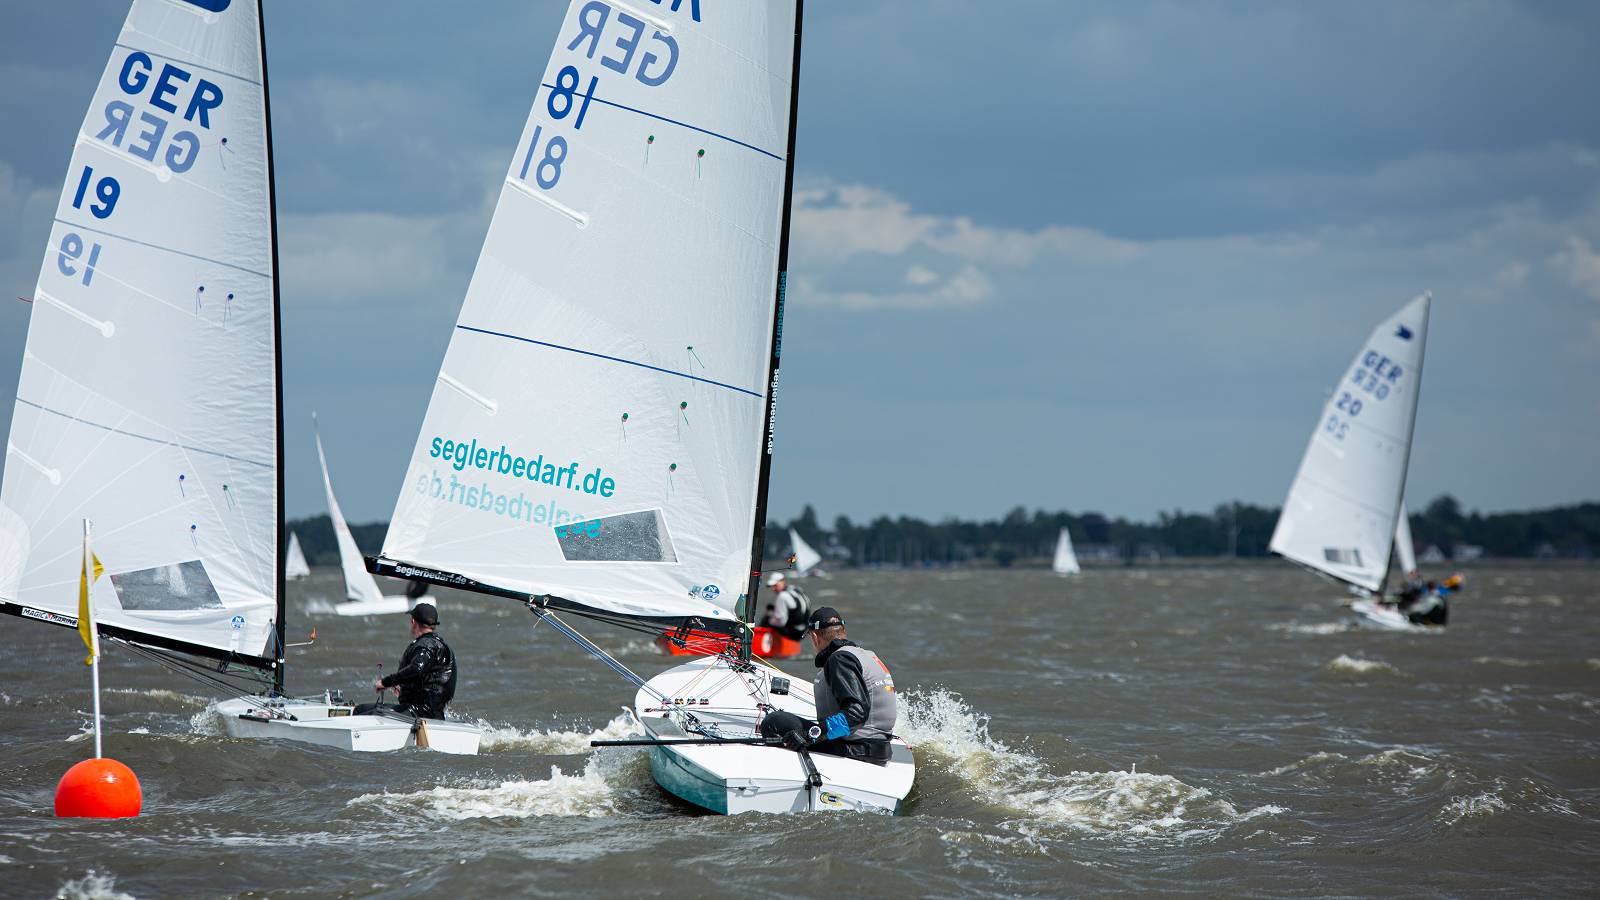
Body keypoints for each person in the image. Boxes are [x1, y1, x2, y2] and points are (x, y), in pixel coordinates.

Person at [758, 606, 897, 764]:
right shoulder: (866, 655)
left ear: (815, 637)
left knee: (774, 721)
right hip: (881, 749)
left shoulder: (840, 659)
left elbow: (856, 714)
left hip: (856, 749)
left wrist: (812, 734)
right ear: (842, 631)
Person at [356, 602, 457, 719]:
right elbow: (429, 679)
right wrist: (403, 688)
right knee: (363, 709)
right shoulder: (439, 645)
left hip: (419, 713)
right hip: (432, 713)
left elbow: (416, 669)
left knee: (361, 711)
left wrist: (385, 682)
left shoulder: (426, 645)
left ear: (413, 621)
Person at [762, 571, 811, 641]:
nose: (773, 589)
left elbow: (781, 622)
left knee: (767, 618)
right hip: (805, 629)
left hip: (795, 632)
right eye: (771, 586)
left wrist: (769, 619)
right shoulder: (796, 589)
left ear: (782, 582)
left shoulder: (782, 596)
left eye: (775, 585)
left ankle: (760, 642)